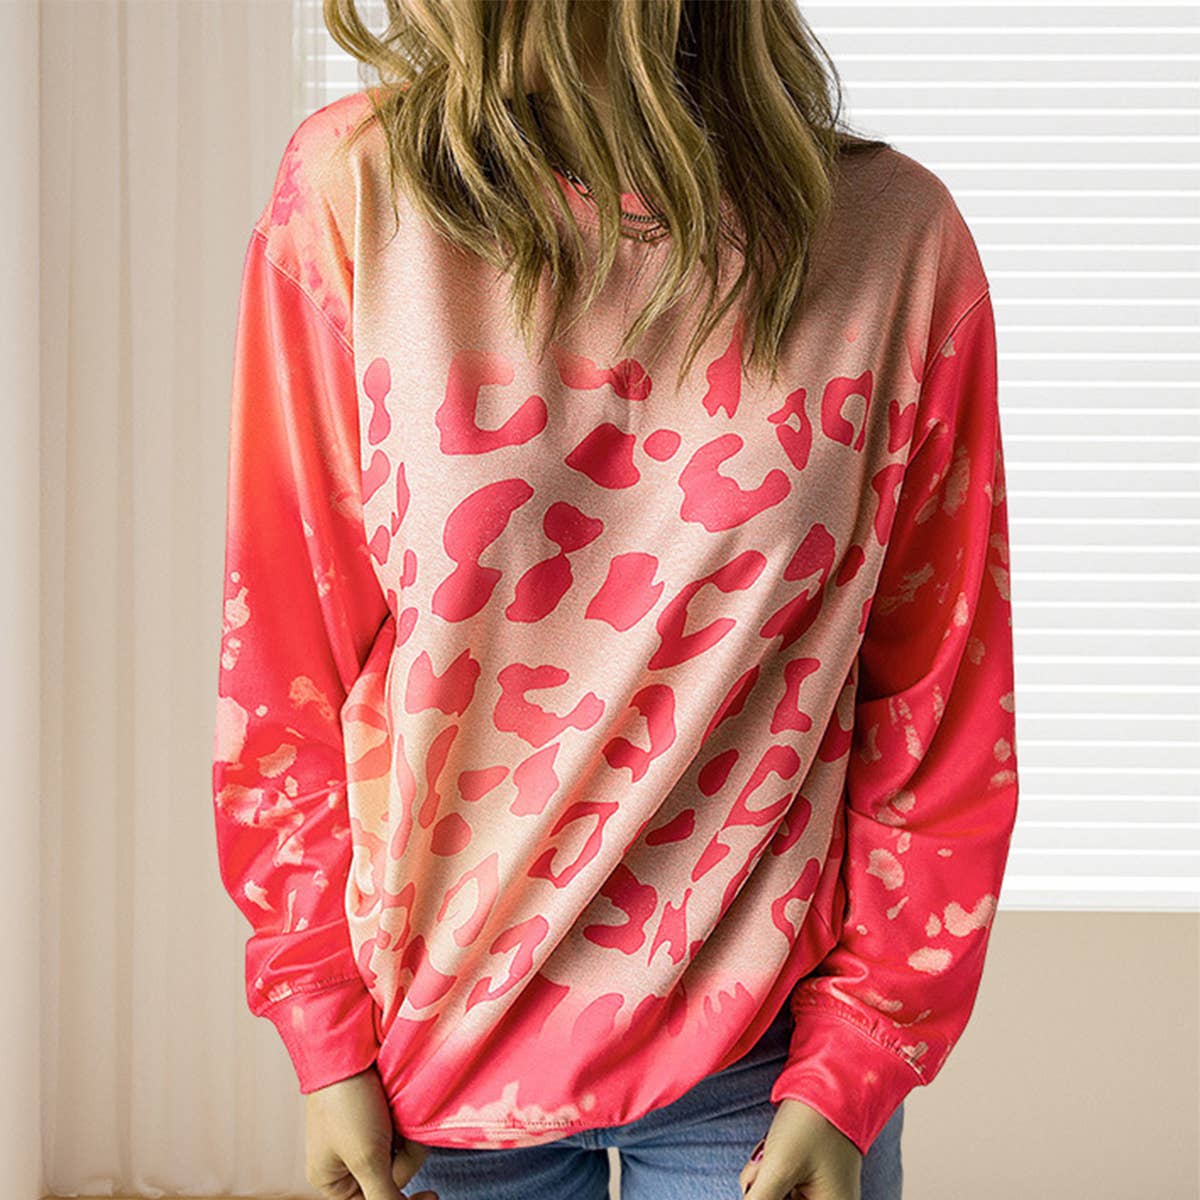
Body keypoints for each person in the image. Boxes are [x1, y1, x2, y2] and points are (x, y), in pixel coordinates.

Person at [210, 2, 1019, 1199]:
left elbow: (939, 710)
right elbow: (283, 666)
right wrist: (319, 1026)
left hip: (767, 1072)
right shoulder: (354, 199)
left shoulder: (896, 242)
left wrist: (862, 1054)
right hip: (431, 1060)